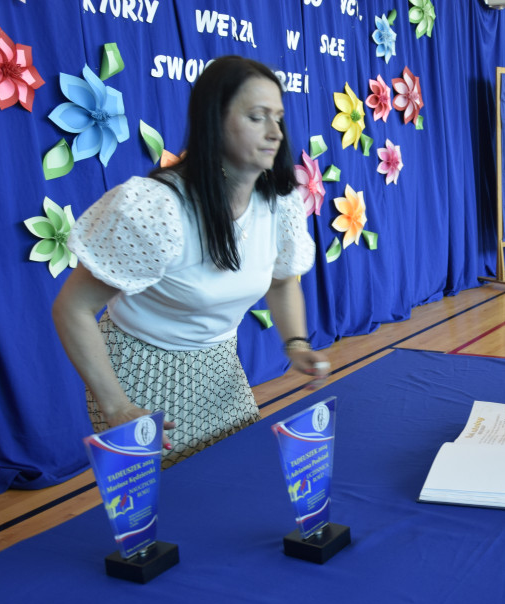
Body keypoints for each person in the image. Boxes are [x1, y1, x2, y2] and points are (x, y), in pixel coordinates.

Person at [53, 56, 330, 464]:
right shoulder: (157, 207)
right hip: (138, 371)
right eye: (257, 117)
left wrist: (296, 344)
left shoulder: (280, 202)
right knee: (169, 514)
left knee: (235, 483)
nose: (275, 133)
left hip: (220, 370)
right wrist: (115, 406)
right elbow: (72, 308)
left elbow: (282, 280)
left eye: (279, 118)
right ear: (214, 121)